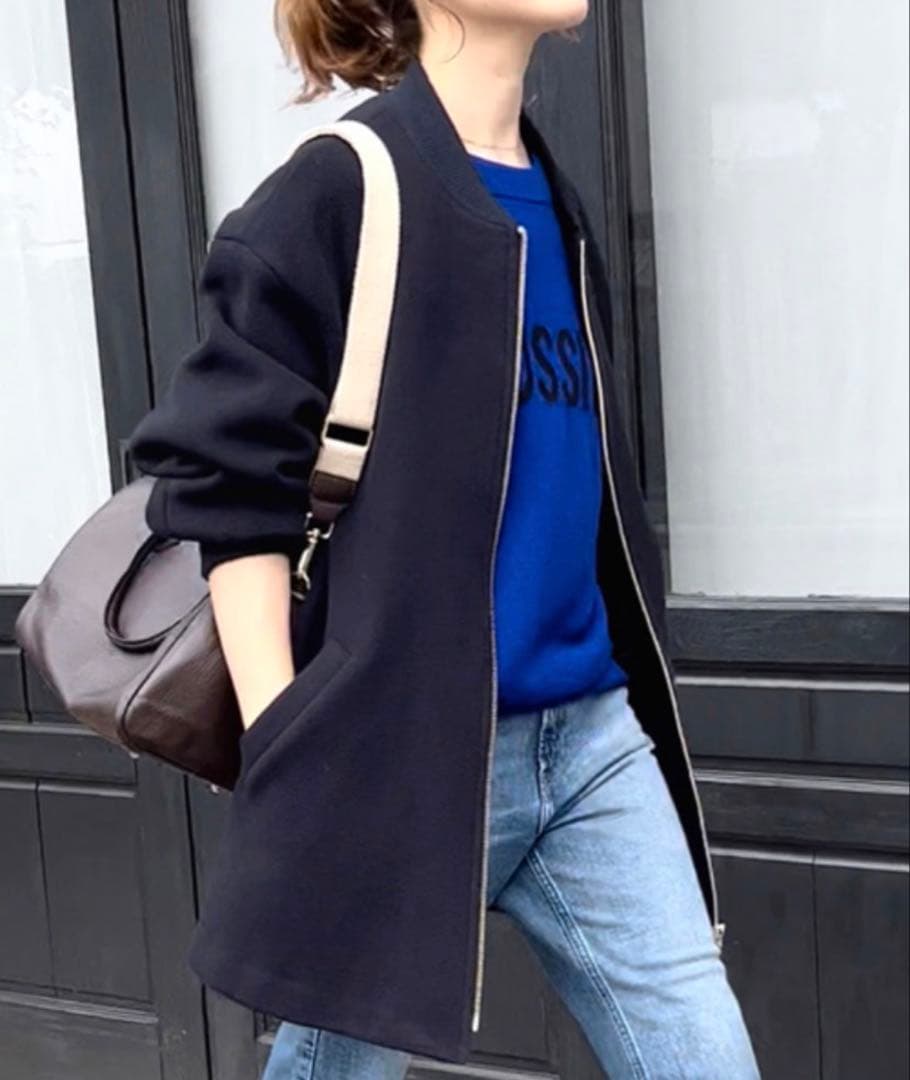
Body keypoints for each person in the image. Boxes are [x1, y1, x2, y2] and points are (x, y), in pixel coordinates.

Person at [127, 1, 762, 1077]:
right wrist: (291, 744)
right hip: (401, 754)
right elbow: (230, 493)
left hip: (592, 743)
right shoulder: (339, 190)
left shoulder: (554, 200)